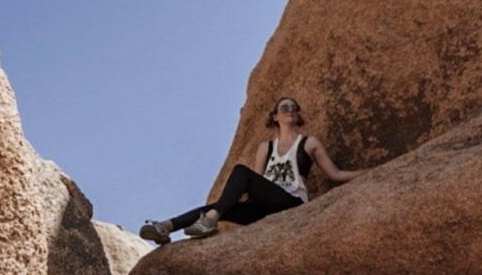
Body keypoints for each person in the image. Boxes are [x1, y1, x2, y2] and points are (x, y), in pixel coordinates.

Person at [139, 96, 363, 243]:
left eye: (294, 107)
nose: (290, 110)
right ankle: (166, 227)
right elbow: (256, 183)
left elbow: (335, 174)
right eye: (285, 107)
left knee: (240, 174)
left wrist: (374, 172)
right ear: (275, 116)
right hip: (264, 209)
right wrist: (233, 203)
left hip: (292, 203)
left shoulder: (309, 143)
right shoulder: (266, 147)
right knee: (222, 204)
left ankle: (210, 220)